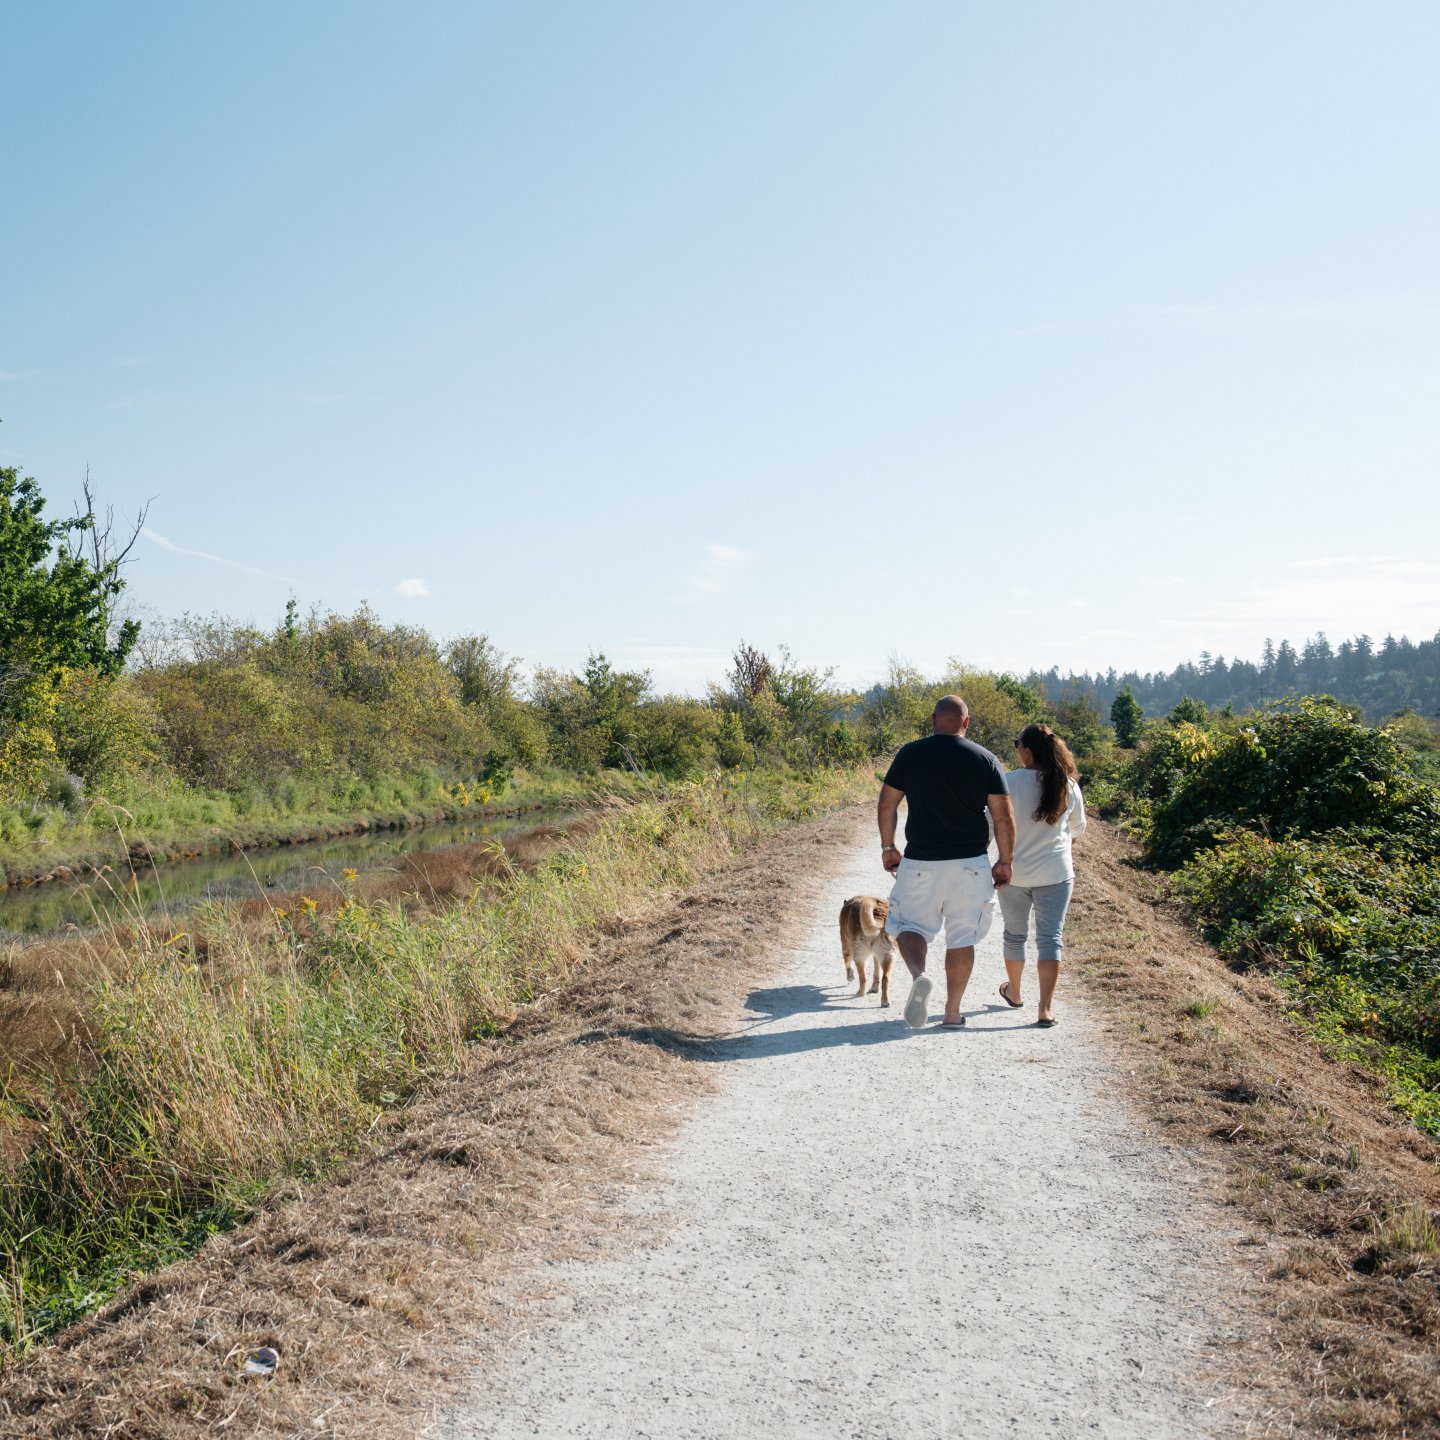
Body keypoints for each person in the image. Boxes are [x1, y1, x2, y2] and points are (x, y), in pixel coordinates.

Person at [877, 695, 1016, 1029]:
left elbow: (887, 804)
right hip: (970, 864)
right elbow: (1003, 816)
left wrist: (888, 847)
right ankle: (952, 1013)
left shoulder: (910, 754)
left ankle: (920, 976)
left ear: (933, 719)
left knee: (909, 926)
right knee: (962, 937)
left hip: (921, 860)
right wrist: (1005, 861)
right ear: (966, 723)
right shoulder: (985, 759)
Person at [995, 723, 1086, 1028]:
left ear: (1027, 750)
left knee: (1014, 934)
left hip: (1013, 873)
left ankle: (1015, 992)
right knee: (1050, 939)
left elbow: (991, 825)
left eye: (1016, 743)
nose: (1016, 748)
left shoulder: (1007, 782)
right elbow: (1077, 830)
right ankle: (1045, 1009)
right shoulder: (1067, 785)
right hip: (1056, 874)